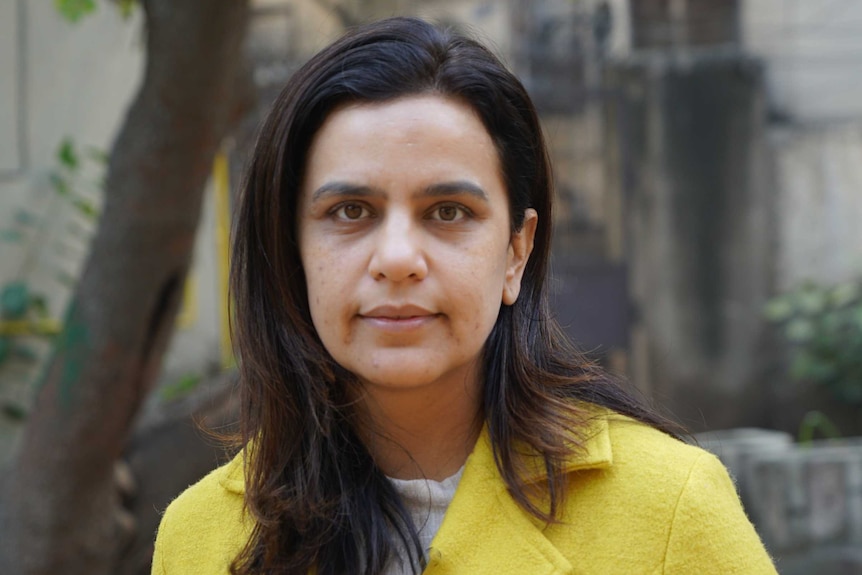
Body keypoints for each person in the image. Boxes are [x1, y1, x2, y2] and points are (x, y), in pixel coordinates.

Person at [152, 16, 777, 575]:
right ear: (291, 252)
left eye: (447, 211)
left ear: (516, 252)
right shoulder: (201, 540)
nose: (397, 259)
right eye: (351, 210)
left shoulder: (670, 509)